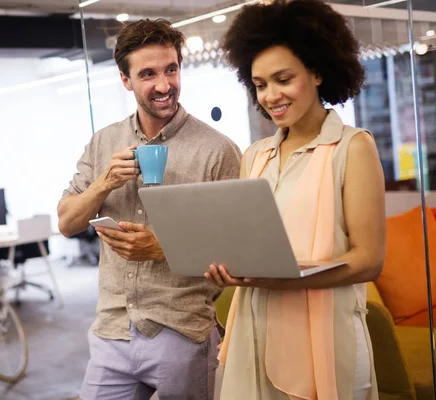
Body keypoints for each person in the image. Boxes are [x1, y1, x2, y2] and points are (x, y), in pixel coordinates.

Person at [204, 1, 385, 399]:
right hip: (255, 328)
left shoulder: (351, 148)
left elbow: (369, 259)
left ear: (318, 71)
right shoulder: (255, 156)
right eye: (260, 84)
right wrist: (228, 268)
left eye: (283, 79)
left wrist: (286, 279)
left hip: (326, 336)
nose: (271, 95)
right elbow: (247, 245)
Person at [58, 18, 242, 400]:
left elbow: (236, 249)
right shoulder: (103, 142)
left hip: (182, 331)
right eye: (147, 74)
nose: (163, 85)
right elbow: (66, 222)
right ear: (126, 80)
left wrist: (164, 247)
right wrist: (104, 182)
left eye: (170, 69)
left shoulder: (217, 150)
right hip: (111, 331)